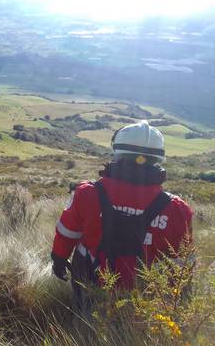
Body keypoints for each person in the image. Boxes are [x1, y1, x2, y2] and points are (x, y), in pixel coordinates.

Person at [51, 121, 193, 305]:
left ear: (118, 155)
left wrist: (59, 260)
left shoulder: (87, 193)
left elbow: (67, 233)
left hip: (89, 283)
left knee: (84, 323)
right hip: (145, 298)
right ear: (157, 160)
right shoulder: (177, 209)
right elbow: (183, 263)